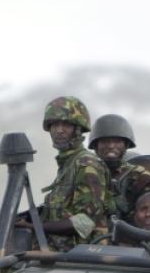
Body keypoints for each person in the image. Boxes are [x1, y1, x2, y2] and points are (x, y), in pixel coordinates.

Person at [16, 96, 113, 252]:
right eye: (54, 124)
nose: (59, 130)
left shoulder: (86, 164)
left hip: (82, 258)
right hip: (62, 254)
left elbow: (85, 223)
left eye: (66, 124)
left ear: (78, 129)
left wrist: (34, 226)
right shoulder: (68, 164)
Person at [88, 114, 150, 226]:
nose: (111, 146)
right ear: (96, 146)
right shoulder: (85, 172)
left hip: (124, 238)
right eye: (105, 141)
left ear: (126, 145)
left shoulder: (136, 175)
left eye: (117, 141)